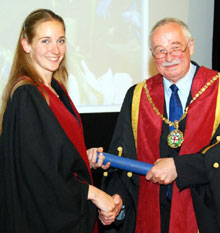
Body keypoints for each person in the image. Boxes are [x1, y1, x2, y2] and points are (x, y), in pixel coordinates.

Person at [0, 9, 122, 233]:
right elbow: (37, 174)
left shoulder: (55, 90)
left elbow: (49, 154)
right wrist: (94, 194)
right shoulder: (28, 95)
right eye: (45, 41)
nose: (55, 50)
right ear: (26, 44)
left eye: (61, 40)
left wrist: (83, 159)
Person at [98, 17, 220, 233]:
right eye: (160, 51)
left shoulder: (217, 89)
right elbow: (123, 159)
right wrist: (118, 201)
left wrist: (179, 167)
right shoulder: (137, 96)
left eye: (175, 48)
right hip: (151, 217)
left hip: (205, 216)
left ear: (190, 45)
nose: (168, 57)